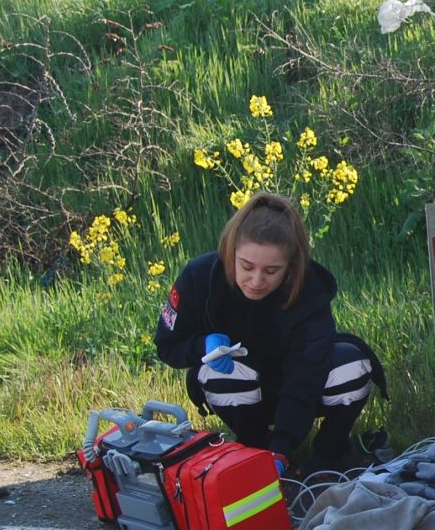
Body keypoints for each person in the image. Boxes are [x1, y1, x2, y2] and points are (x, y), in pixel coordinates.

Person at [155, 193, 385, 475]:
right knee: (216, 374)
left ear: (291, 267)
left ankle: (328, 455)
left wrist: (283, 446)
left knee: (353, 364)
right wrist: (202, 345)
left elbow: (306, 373)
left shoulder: (311, 290)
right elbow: (167, 346)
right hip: (244, 389)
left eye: (271, 271)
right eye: (246, 266)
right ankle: (252, 449)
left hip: (302, 388)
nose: (256, 281)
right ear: (230, 252)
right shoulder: (198, 276)